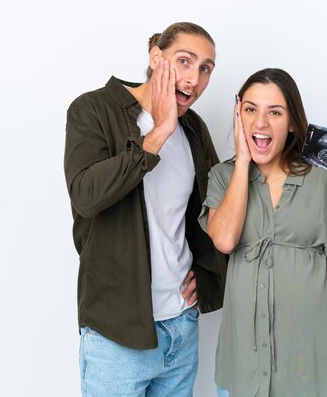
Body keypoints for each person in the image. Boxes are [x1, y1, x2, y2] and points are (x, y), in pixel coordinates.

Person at [64, 22, 227, 397]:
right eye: (184, 61)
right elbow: (86, 195)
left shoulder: (194, 130)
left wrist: (206, 273)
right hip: (116, 336)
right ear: (156, 59)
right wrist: (158, 132)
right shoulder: (92, 110)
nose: (194, 78)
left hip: (180, 328)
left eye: (205, 68)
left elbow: (214, 212)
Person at [199, 68, 327, 397]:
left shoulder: (325, 181)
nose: (261, 123)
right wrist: (242, 162)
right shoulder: (223, 177)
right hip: (243, 366)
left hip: (308, 366)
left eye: (275, 112)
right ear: (239, 117)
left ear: (293, 122)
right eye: (250, 109)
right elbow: (224, 240)